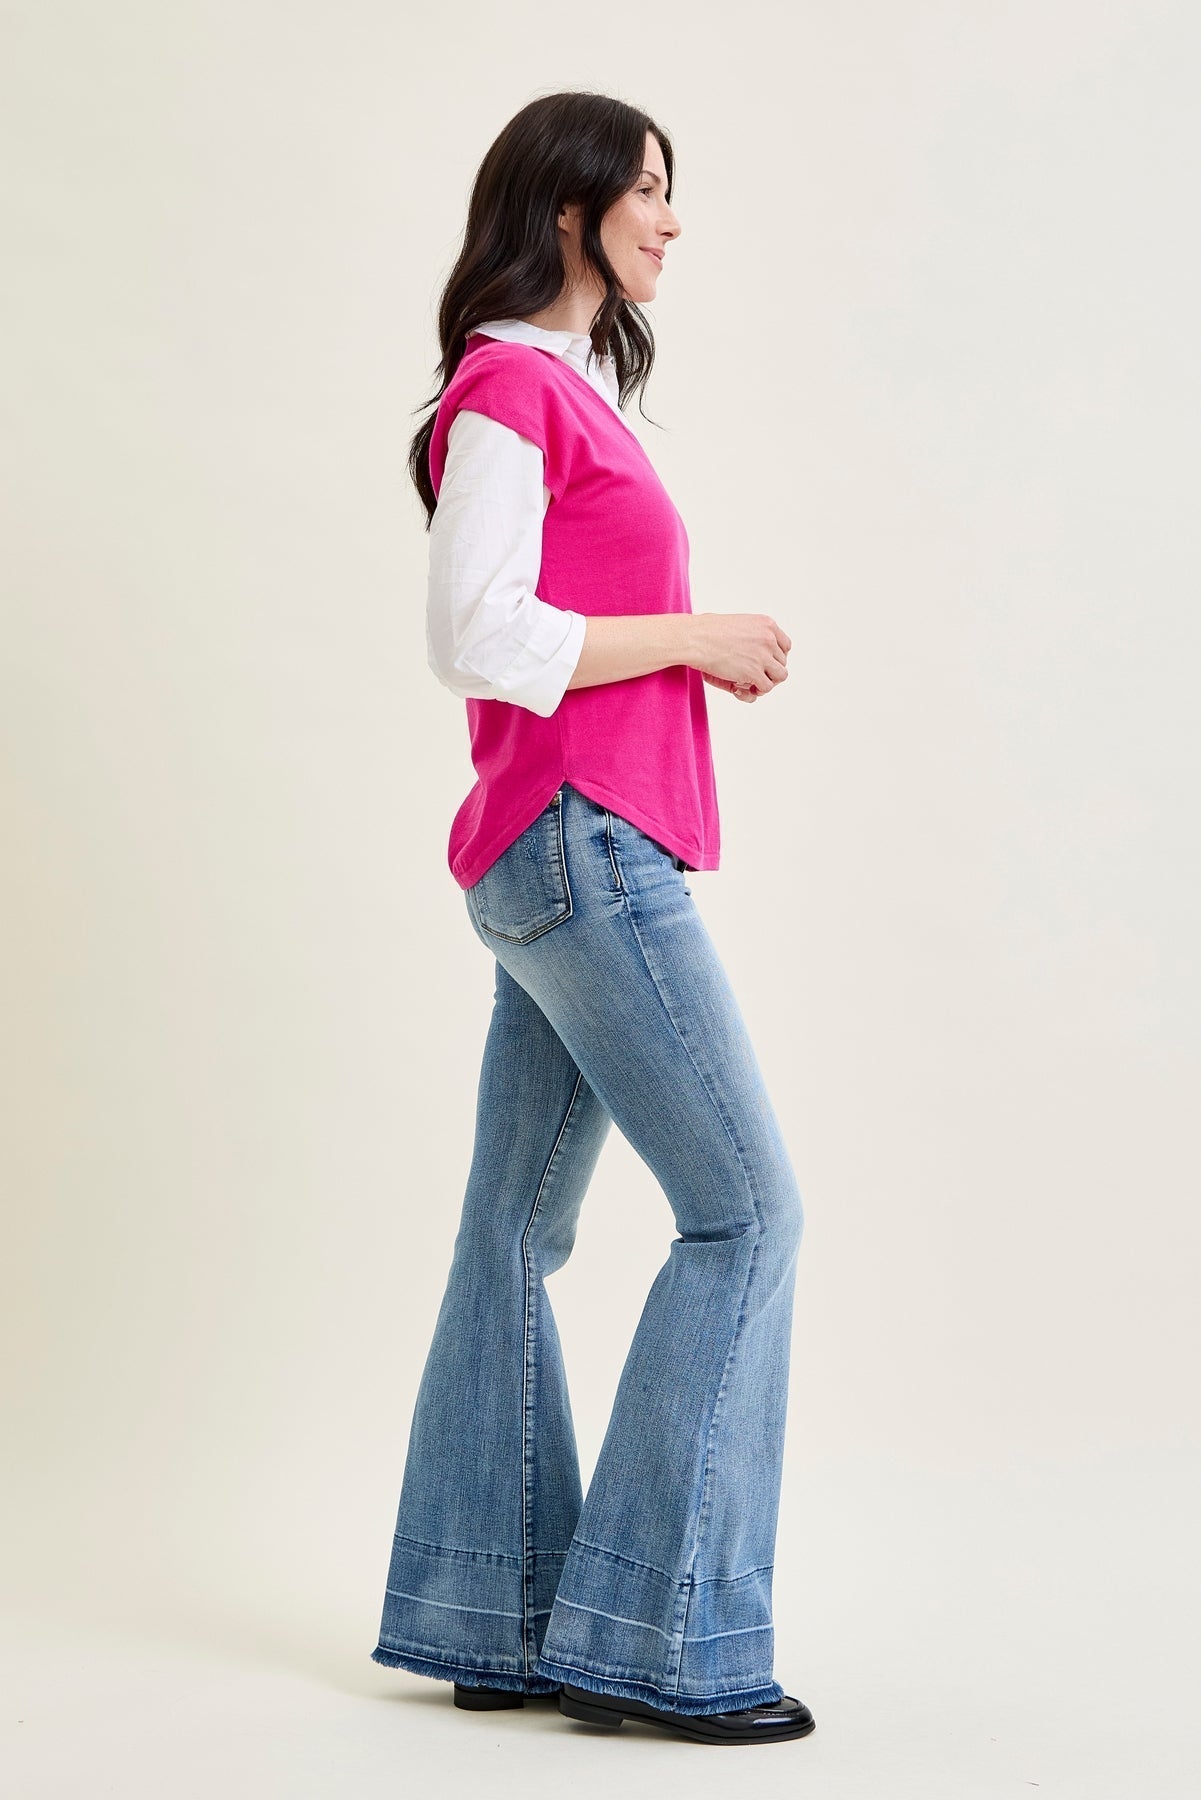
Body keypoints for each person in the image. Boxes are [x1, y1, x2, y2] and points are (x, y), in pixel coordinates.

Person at [370, 91, 815, 1748]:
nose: (669, 219)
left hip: (552, 853)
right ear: (566, 208)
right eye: (645, 190)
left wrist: (677, 647)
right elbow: (474, 634)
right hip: (582, 850)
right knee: (746, 1216)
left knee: (510, 1231)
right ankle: (655, 1638)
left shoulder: (556, 390)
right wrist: (692, 635)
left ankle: (489, 1616)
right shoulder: (510, 388)